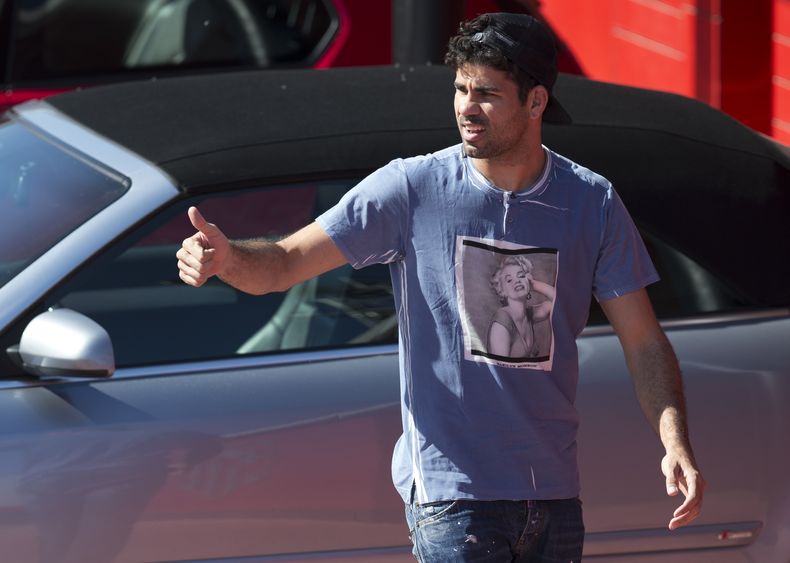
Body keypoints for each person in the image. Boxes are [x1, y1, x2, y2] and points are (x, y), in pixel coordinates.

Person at [176, 12, 704, 562]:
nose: (466, 108)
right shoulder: (412, 188)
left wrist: (674, 443)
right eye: (460, 88)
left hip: (552, 492)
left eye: (487, 94)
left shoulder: (590, 201)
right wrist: (228, 258)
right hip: (453, 499)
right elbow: (284, 263)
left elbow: (643, 341)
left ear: (536, 102)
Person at [488, 255, 554, 360]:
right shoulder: (502, 321)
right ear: (501, 291)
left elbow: (559, 304)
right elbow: (500, 372)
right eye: (509, 280)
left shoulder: (528, 314)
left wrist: (534, 284)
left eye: (521, 276)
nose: (517, 281)